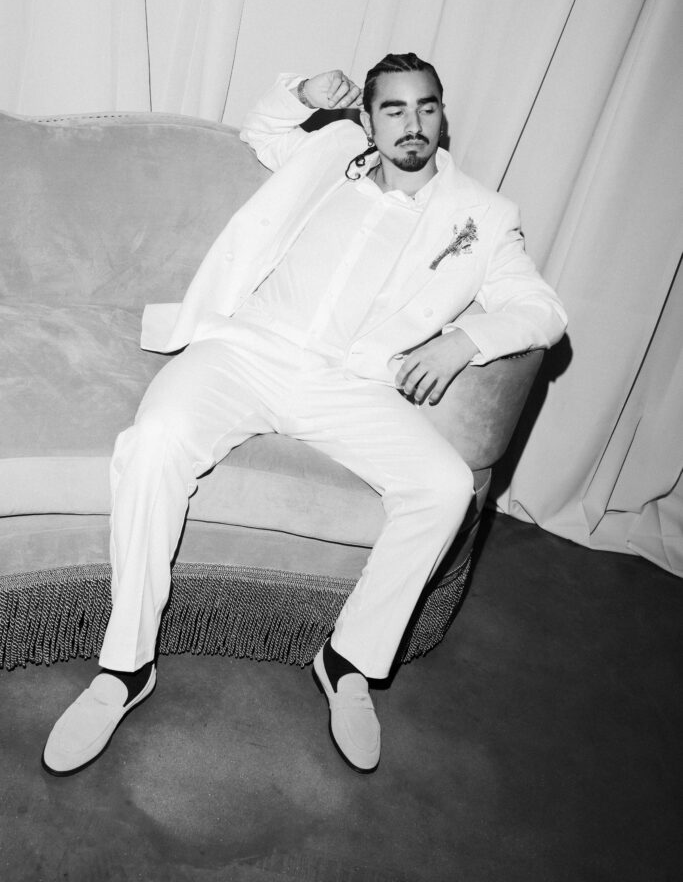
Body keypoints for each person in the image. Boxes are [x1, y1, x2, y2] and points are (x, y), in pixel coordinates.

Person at [42, 53, 567, 776]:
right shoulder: (330, 152)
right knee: (154, 443)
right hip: (247, 350)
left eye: (426, 107)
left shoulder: (484, 215)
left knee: (445, 488)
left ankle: (347, 661)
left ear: (443, 116)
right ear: (368, 120)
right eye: (393, 109)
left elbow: (542, 310)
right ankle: (125, 668)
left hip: (351, 385)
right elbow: (263, 130)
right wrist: (301, 91)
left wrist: (465, 341)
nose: (412, 124)